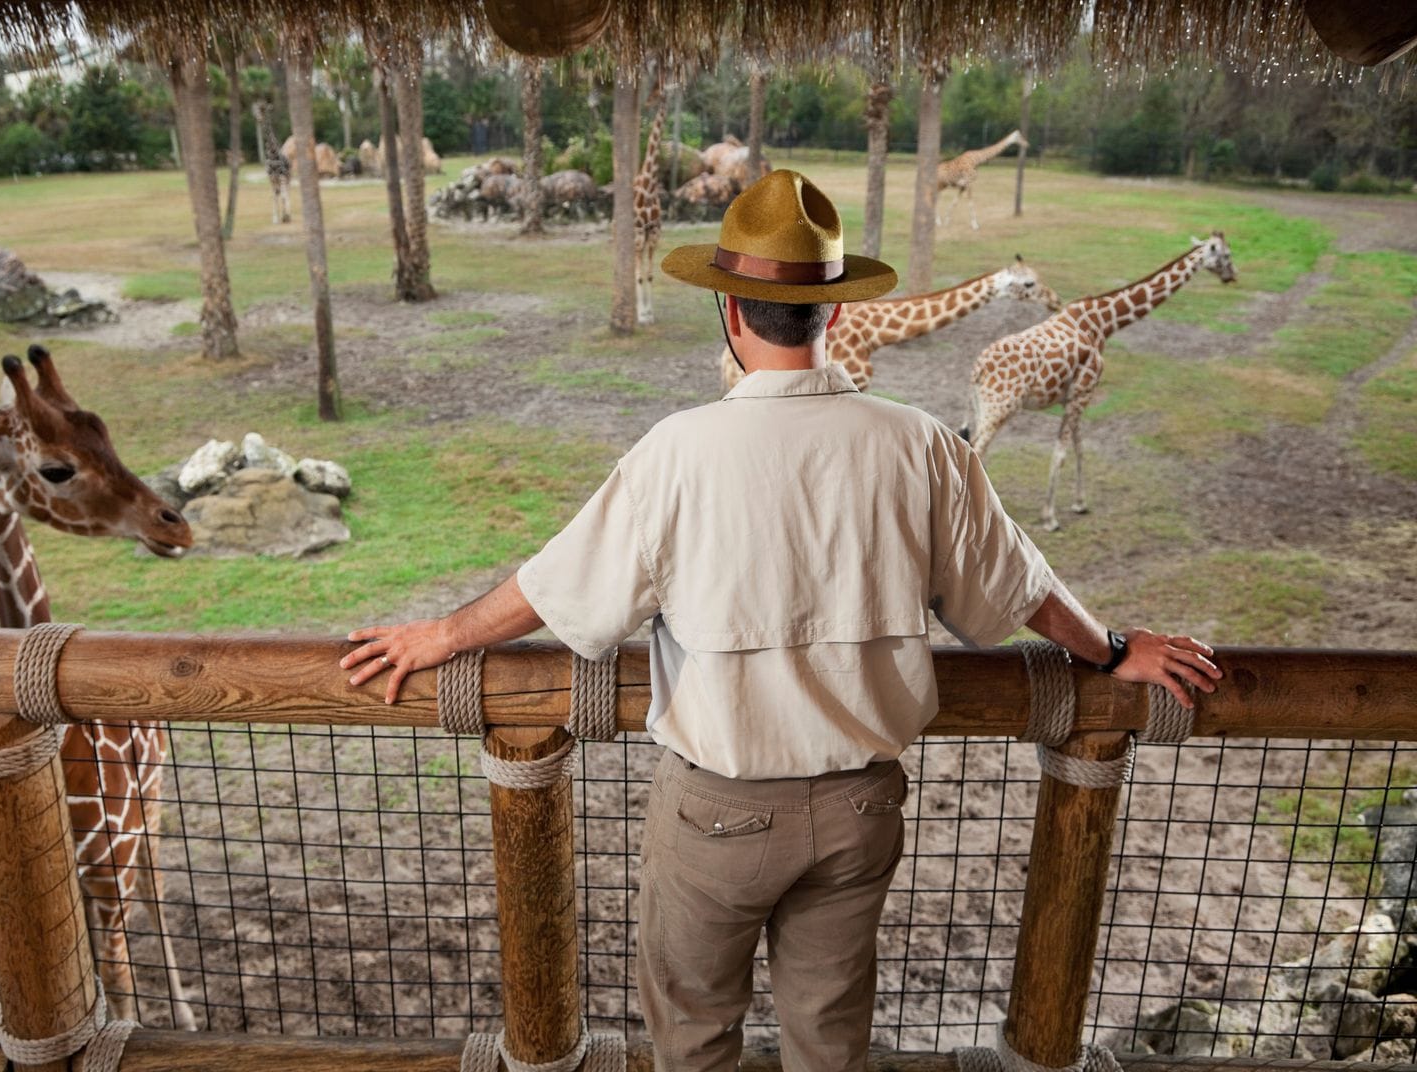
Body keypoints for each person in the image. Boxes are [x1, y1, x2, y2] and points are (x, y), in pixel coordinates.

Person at [339, 169, 1221, 1072]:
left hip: (718, 812)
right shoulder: (920, 442)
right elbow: (1019, 589)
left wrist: (440, 637)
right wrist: (1114, 649)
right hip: (863, 807)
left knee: (692, 1035)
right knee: (831, 1042)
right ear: (834, 314)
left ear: (730, 311)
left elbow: (563, 591)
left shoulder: (677, 453)